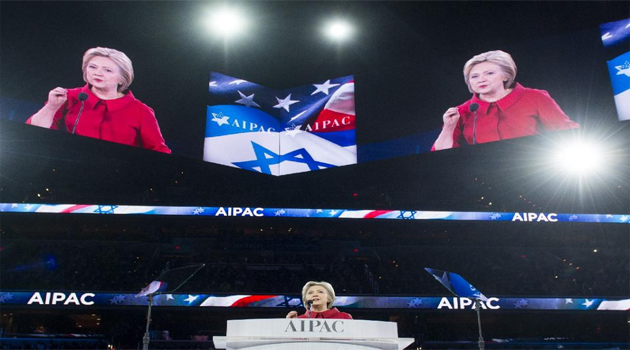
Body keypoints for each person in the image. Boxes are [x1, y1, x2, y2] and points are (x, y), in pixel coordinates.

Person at [26, 47, 171, 154]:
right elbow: (35, 133)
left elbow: (159, 151)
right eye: (93, 67)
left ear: (122, 78)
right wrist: (51, 107)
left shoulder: (141, 111)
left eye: (108, 70)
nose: (98, 73)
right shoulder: (67, 96)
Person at [433, 50, 578, 151]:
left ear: (505, 76)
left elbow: (565, 132)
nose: (481, 79)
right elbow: (443, 156)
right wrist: (448, 127)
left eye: (489, 73)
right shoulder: (462, 112)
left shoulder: (535, 97)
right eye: (474, 76)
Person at [286, 281, 353, 319]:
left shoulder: (344, 317)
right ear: (306, 299)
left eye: (320, 292)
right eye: (310, 293)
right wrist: (289, 324)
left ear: (329, 298)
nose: (315, 294)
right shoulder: (299, 320)